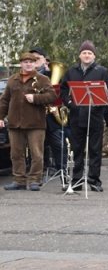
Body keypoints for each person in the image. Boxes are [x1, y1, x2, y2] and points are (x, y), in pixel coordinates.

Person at [60, 40, 108, 192]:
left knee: (95, 150)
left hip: (95, 116)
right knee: (77, 149)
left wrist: (99, 103)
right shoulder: (71, 71)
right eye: (84, 52)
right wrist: (71, 103)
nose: (86, 55)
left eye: (89, 53)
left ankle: (94, 180)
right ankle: (77, 179)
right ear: (79, 55)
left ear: (94, 56)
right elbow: (63, 90)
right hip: (77, 117)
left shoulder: (102, 71)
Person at [1, 52, 57, 191]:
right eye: (25, 62)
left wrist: (36, 98)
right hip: (15, 123)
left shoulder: (42, 79)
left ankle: (34, 180)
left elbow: (52, 96)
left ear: (34, 64)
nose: (28, 64)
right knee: (16, 153)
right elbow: (4, 100)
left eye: (31, 62)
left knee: (36, 153)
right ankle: (19, 180)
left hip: (35, 123)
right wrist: (1, 117)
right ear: (21, 64)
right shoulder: (12, 80)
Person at [29, 47, 68, 181]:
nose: (35, 61)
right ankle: (40, 172)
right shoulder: (27, 76)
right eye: (32, 59)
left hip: (52, 116)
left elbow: (62, 91)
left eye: (38, 58)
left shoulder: (54, 73)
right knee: (38, 147)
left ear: (45, 60)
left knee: (58, 144)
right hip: (35, 116)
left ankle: (62, 171)